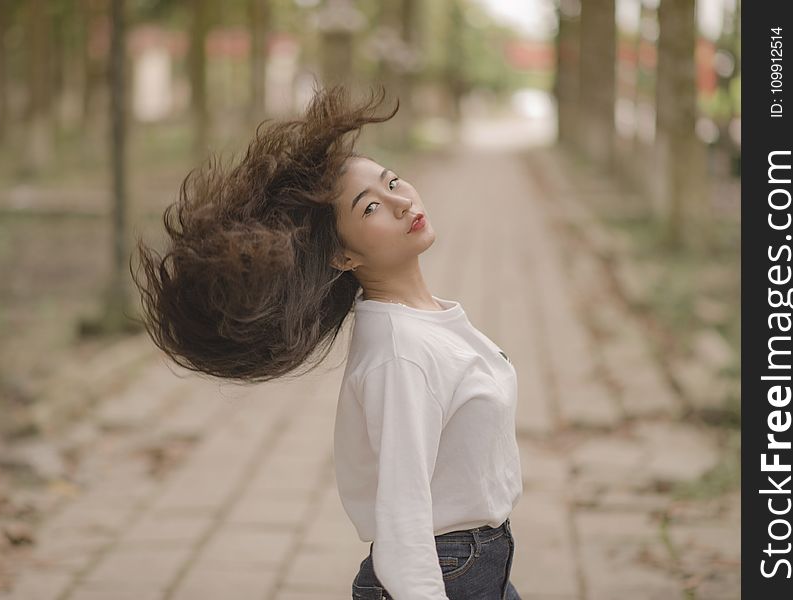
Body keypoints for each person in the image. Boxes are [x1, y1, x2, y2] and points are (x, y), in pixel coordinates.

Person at [131, 83, 522, 600]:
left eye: (393, 182)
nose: (402, 202)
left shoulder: (423, 322)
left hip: (478, 560)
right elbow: (402, 513)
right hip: (444, 571)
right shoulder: (401, 352)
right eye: (370, 209)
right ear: (342, 258)